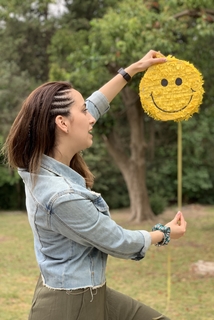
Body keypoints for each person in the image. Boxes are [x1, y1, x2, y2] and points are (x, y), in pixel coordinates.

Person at [3, 50, 187, 320]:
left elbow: (94, 104)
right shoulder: (60, 195)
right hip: (70, 307)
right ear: (62, 123)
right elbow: (116, 241)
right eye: (84, 111)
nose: (91, 118)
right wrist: (164, 233)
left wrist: (132, 70)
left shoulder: (41, 165)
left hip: (89, 294)